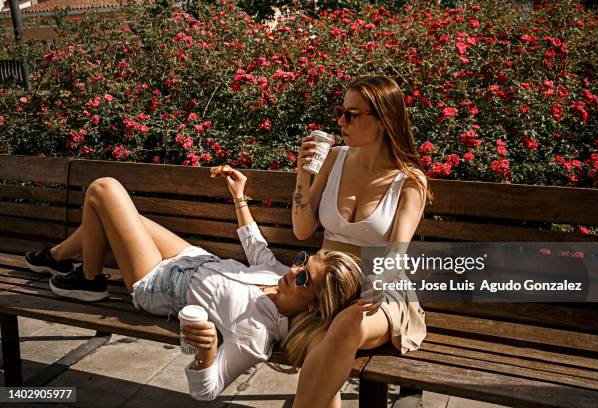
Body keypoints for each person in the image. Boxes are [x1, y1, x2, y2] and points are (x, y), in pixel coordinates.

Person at [24, 170, 363, 401]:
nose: (295, 268)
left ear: (315, 305)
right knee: (115, 215)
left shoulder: (256, 334)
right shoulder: (277, 275)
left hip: (158, 283)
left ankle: (88, 280)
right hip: (191, 257)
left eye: (305, 276)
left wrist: (205, 354)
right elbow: (256, 248)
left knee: (105, 190)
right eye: (304, 260)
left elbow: (207, 391)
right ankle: (54, 256)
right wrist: (239, 196)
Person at [291, 75, 430, 407]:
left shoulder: (409, 181)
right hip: (327, 288)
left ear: (383, 120)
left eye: (353, 115)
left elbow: (396, 254)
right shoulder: (334, 158)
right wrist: (302, 173)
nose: (341, 121)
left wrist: (374, 281)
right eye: (341, 112)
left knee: (346, 325)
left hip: (377, 290)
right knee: (318, 350)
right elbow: (302, 230)